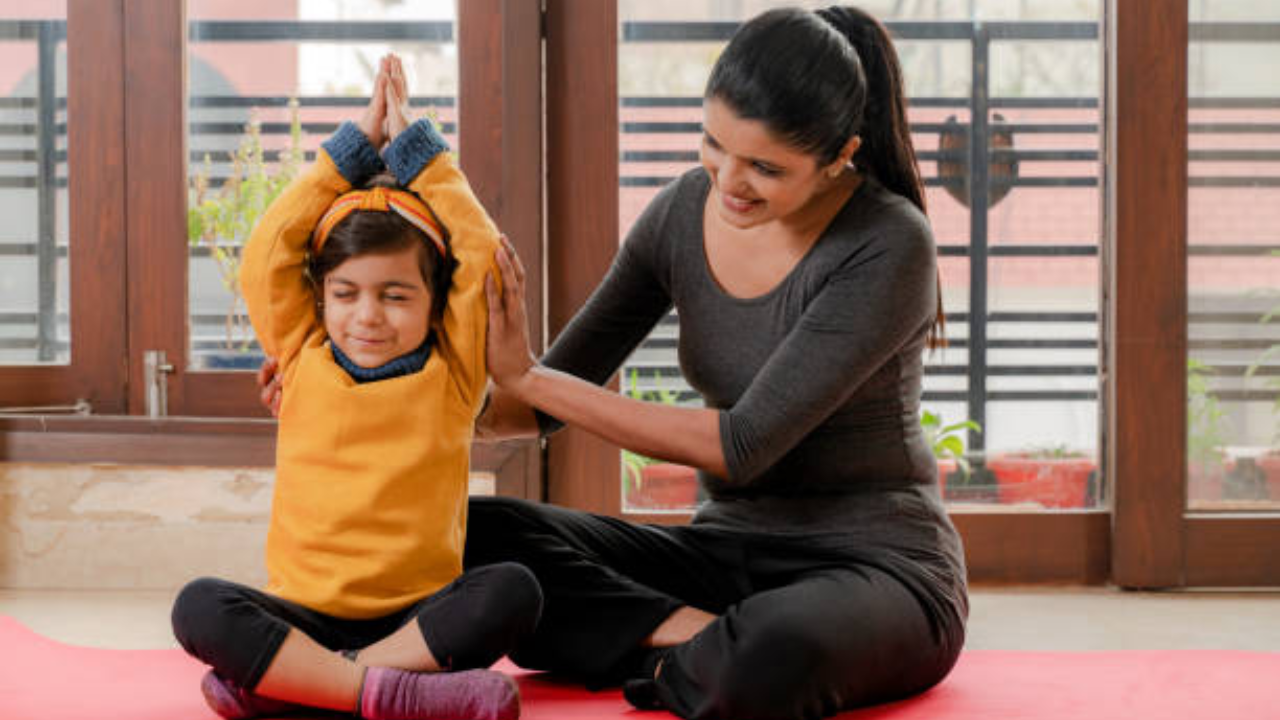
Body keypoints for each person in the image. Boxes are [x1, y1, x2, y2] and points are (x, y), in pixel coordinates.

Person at [257, 7, 966, 720]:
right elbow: (533, 411)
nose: (729, 181)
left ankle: (675, 652)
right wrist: (356, 392)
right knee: (467, 538)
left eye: (765, 168)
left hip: (874, 567)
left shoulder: (888, 242)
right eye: (714, 144)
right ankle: (696, 648)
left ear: (840, 155)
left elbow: (743, 444)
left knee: (777, 647)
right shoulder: (682, 213)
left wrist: (529, 375)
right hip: (718, 559)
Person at [173, 55, 541, 720]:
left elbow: (482, 256)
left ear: (435, 301)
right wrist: (349, 152)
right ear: (322, 296)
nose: (367, 316)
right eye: (345, 294)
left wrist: (421, 154)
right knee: (198, 606)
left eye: (395, 295)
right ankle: (387, 692)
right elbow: (266, 257)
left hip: (415, 619)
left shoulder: (456, 369)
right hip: (304, 613)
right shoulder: (300, 352)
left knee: (513, 590)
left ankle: (307, 685)